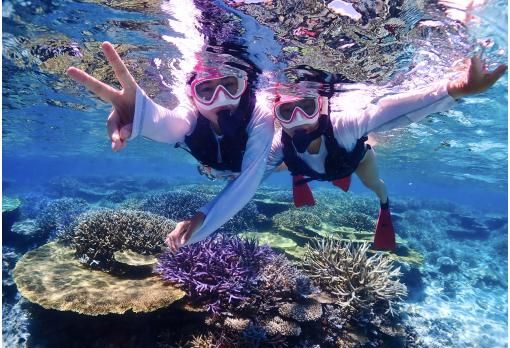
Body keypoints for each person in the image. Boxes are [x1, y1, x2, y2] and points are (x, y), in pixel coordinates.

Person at [268, 57, 507, 250]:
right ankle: (298, 172)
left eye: (306, 108)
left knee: (374, 184)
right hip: (310, 165)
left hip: (355, 159)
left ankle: (384, 203)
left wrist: (458, 88)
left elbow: (388, 110)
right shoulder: (281, 142)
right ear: (276, 116)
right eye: (286, 112)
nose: (297, 120)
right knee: (282, 162)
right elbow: (251, 171)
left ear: (320, 106)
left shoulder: (344, 125)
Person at [67, 42, 274, 251]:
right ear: (193, 96)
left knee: (279, 156)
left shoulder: (260, 115)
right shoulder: (190, 111)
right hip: (218, 168)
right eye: (206, 90)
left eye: (230, 85)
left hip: (260, 163)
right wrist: (141, 114)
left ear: (245, 85)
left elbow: (248, 181)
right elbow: (173, 126)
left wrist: (200, 221)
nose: (220, 98)